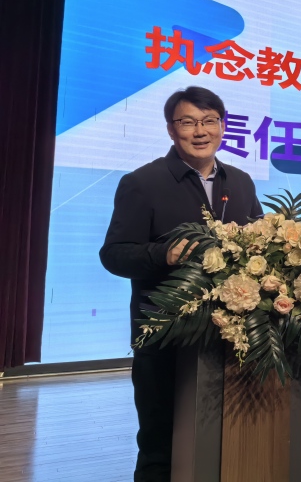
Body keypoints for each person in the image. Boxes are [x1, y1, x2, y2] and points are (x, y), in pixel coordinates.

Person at [99, 86, 263, 481]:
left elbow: (259, 242)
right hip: (165, 338)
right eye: (188, 122)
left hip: (229, 339)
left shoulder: (241, 182)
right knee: (161, 447)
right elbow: (114, 254)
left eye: (209, 121)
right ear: (172, 130)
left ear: (223, 126)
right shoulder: (143, 182)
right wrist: (163, 255)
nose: (200, 131)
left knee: (226, 444)